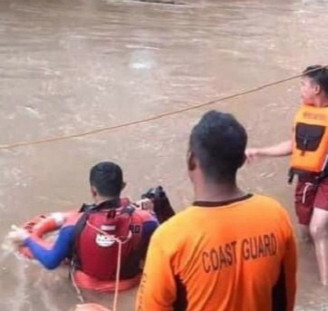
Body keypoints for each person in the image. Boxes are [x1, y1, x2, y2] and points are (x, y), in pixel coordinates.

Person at [136, 110, 297, 311]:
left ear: (192, 160)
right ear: (241, 160)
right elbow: (286, 297)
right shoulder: (276, 215)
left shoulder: (169, 237)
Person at [245, 64, 328, 285]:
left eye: (303, 85)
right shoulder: (304, 112)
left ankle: (327, 286)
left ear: (316, 89)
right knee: (305, 233)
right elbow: (294, 146)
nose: (300, 90)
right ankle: (311, 267)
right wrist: (261, 152)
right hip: (306, 180)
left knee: (319, 229)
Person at [6, 162, 159, 292]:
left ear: (93, 190)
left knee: (63, 257)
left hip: (87, 288)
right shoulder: (146, 220)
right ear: (123, 186)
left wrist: (27, 238)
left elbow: (51, 261)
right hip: (130, 286)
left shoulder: (74, 223)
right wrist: (151, 210)